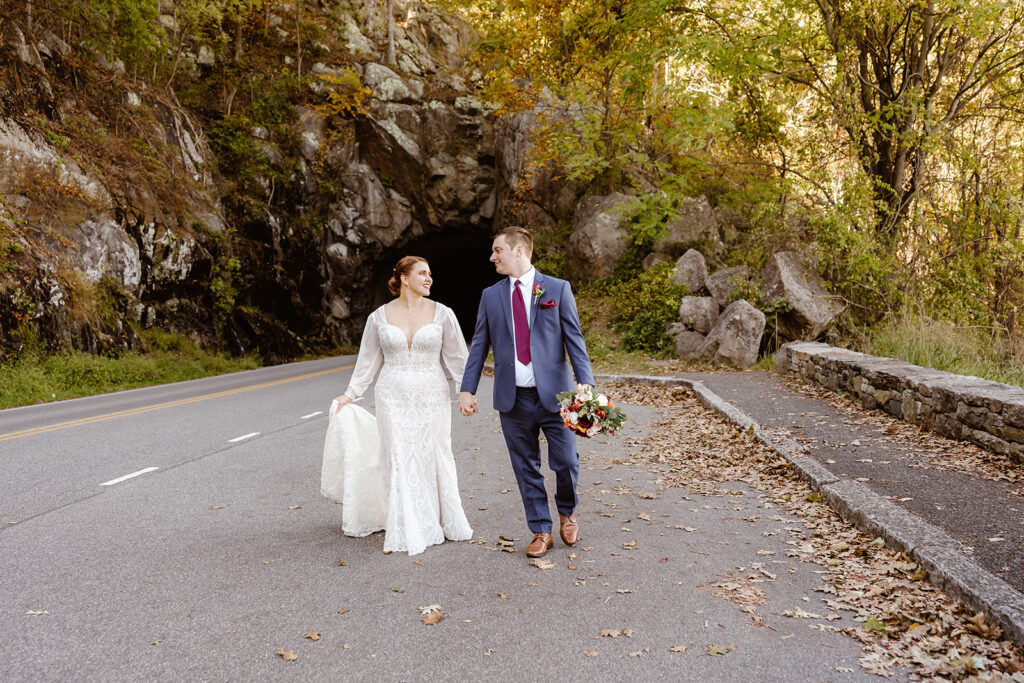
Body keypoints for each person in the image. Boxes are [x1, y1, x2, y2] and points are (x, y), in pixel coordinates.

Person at [458, 227, 595, 559]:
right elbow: (479, 345)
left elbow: (574, 339)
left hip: (557, 398)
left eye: (497, 250)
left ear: (518, 250)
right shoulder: (490, 296)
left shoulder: (557, 289)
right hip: (512, 398)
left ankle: (568, 511)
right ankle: (541, 529)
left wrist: (585, 382)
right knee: (525, 467)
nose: (492, 257)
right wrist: (467, 388)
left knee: (565, 461)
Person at [330, 256, 473, 556]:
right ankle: (405, 521)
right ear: (404, 279)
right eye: (422, 273)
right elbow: (367, 362)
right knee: (398, 454)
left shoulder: (443, 314)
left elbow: (459, 359)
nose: (429, 278)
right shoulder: (379, 317)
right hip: (391, 394)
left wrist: (465, 391)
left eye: (430, 273)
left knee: (435, 451)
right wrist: (350, 394)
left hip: (432, 394)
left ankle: (443, 519)